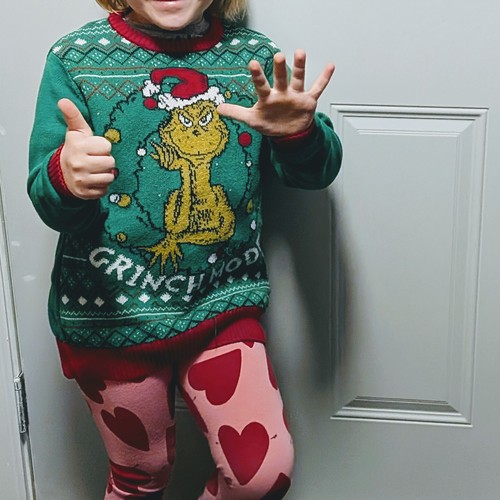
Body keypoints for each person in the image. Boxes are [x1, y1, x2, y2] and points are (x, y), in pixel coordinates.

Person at [28, 0, 342, 498]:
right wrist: (65, 177)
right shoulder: (74, 59)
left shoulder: (254, 60)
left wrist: (298, 136)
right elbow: (47, 199)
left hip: (222, 308)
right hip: (111, 319)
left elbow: (314, 173)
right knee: (142, 474)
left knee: (261, 475)